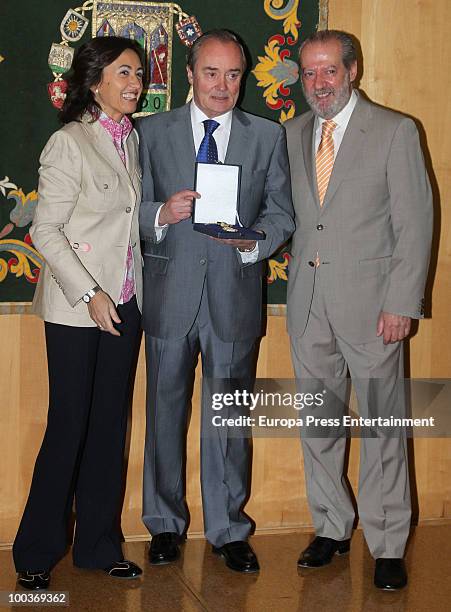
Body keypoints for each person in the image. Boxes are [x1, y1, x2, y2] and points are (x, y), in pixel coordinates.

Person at [137, 29, 294, 573]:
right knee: (164, 414)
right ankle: (163, 523)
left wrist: (256, 243)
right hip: (167, 296)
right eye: (211, 72)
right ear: (189, 73)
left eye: (233, 74)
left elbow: (282, 214)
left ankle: (229, 529)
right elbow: (124, 211)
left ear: (244, 76)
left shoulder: (267, 136)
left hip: (234, 295)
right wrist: (160, 213)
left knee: (227, 419)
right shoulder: (148, 133)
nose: (223, 85)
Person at [285, 30, 433, 590]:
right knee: (318, 425)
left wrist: (402, 302)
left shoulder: (395, 131)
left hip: (376, 309)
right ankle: (331, 527)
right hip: (308, 305)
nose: (319, 84)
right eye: (309, 73)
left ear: (353, 71)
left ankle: (388, 541)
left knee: (382, 426)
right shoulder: (293, 133)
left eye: (329, 71)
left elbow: (415, 223)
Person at [13, 36, 145, 590]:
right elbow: (46, 228)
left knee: (109, 427)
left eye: (139, 73)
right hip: (78, 308)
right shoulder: (69, 142)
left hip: (125, 304)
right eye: (124, 73)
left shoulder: (130, 138)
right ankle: (36, 554)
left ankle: (97, 545)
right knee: (69, 425)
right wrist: (90, 293)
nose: (136, 82)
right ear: (94, 82)